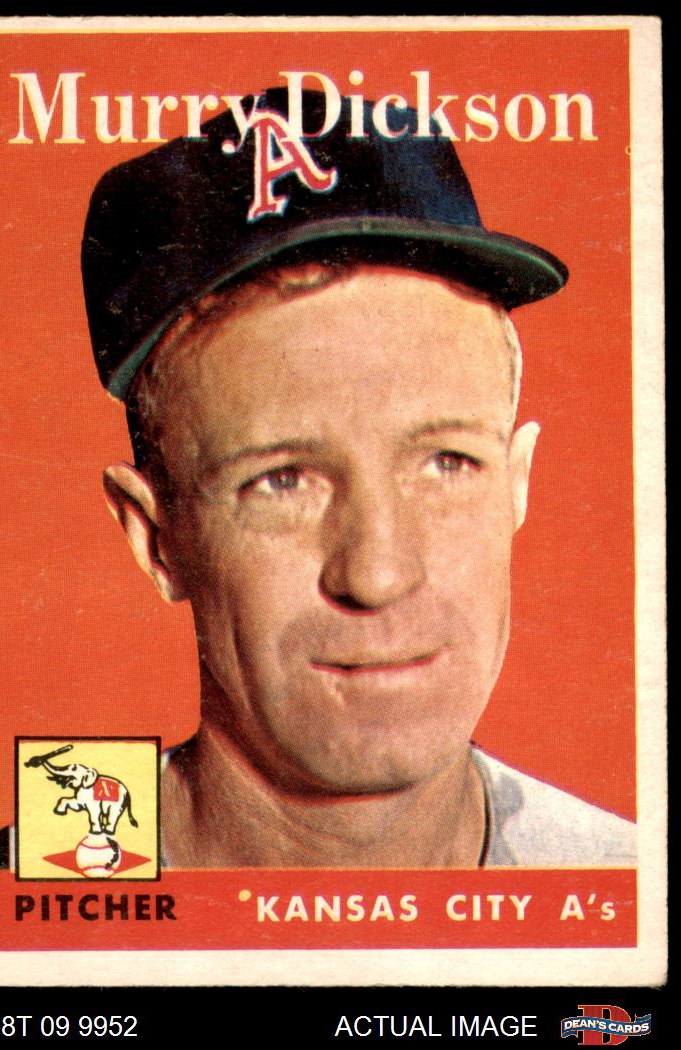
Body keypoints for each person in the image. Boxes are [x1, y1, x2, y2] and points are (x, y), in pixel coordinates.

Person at [77, 87, 635, 868]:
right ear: (155, 537)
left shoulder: (624, 878)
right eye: (283, 480)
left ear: (516, 485)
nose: (377, 574)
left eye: (446, 463)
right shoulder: (23, 888)